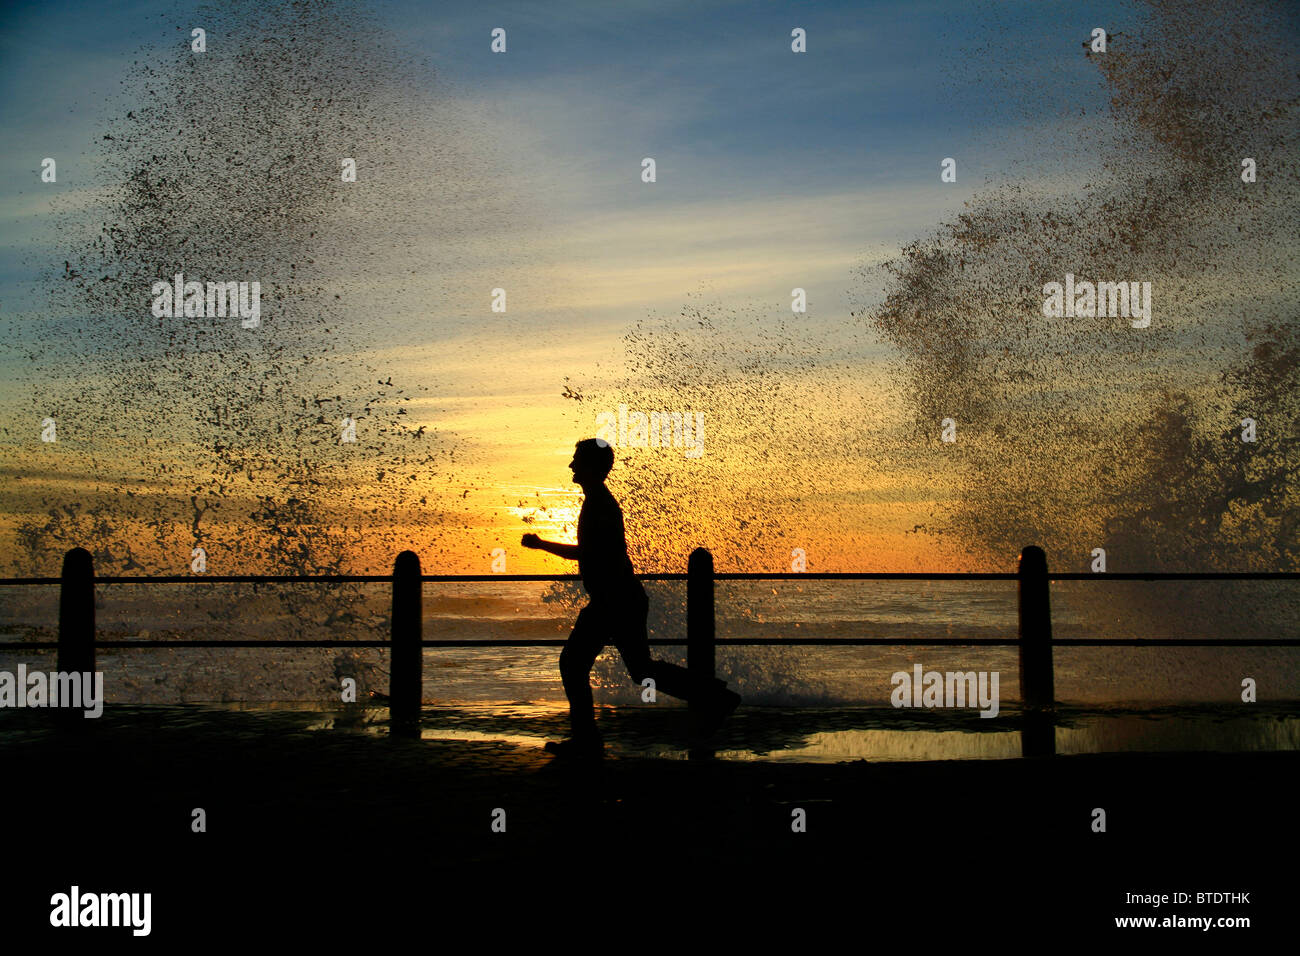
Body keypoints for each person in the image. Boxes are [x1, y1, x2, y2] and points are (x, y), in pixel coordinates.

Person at [522, 438, 741, 759]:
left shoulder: (599, 503)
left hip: (614, 600)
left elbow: (589, 552)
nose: (571, 465)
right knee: (639, 670)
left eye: (576, 460)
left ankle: (587, 741)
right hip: (620, 598)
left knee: (573, 664)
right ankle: (716, 697)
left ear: (592, 467)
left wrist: (542, 545)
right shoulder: (597, 500)